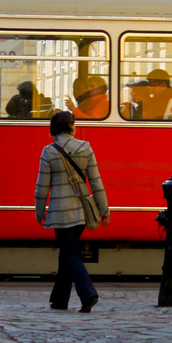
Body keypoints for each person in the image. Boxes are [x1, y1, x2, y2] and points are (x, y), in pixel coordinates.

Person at [35, 109, 110, 312]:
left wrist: (39, 211)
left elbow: (42, 185)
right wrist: (104, 209)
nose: (76, 127)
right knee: (66, 253)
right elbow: (95, 182)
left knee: (69, 252)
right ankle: (59, 300)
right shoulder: (85, 147)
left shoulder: (49, 151)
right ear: (69, 126)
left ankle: (88, 294)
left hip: (60, 211)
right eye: (74, 124)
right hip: (82, 210)